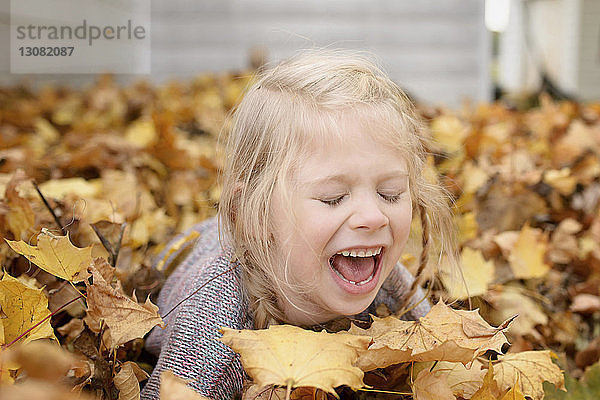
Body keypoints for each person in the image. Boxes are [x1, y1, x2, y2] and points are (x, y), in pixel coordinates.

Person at [140, 49, 457, 400]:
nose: (373, 216)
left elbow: (442, 365)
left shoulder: (393, 288)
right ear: (256, 216)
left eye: (390, 193)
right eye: (333, 198)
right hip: (197, 251)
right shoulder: (214, 325)